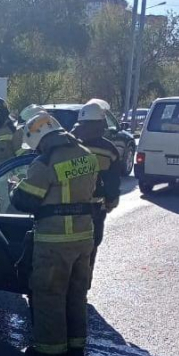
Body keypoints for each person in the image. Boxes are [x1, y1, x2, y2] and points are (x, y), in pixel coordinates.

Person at [10, 113, 99, 356]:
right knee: (76, 292)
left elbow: (24, 200)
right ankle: (76, 346)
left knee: (49, 294)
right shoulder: (85, 153)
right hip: (84, 236)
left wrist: (14, 187)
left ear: (40, 139)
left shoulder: (45, 161)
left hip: (54, 239)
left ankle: (50, 351)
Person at [71, 99, 122, 269]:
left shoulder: (69, 144)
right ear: (101, 124)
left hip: (66, 207)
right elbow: (113, 182)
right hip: (95, 208)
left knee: (66, 250)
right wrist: (111, 202)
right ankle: (82, 287)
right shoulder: (109, 149)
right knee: (89, 251)